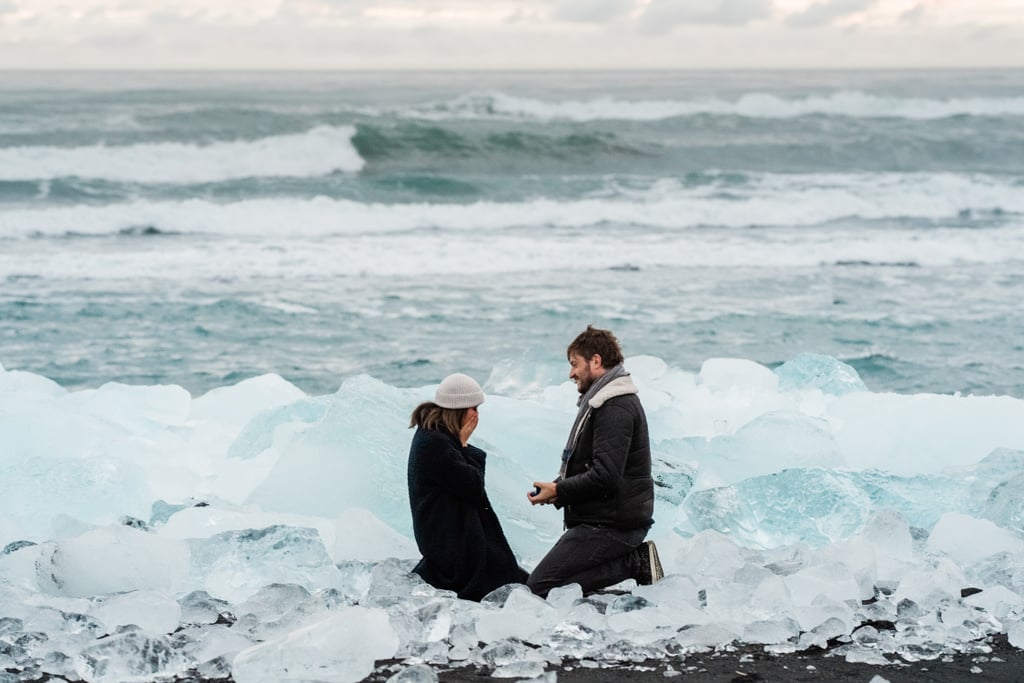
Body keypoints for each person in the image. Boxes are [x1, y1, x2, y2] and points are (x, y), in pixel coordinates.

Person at [527, 325, 662, 597]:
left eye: (575, 364)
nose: (571, 373)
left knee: (540, 589)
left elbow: (606, 475)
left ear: (596, 361)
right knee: (553, 585)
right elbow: (593, 468)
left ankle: (635, 562)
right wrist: (557, 490)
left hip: (611, 525)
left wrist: (561, 490)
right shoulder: (603, 401)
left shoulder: (615, 406)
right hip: (603, 519)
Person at [407, 372, 528, 601]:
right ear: (458, 409)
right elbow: (472, 487)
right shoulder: (435, 443)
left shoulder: (434, 435)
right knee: (506, 580)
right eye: (474, 408)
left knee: (514, 576)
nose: (477, 414)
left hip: (444, 534)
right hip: (448, 546)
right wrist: (464, 446)